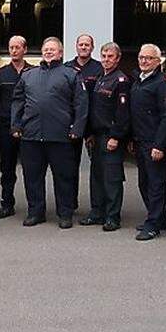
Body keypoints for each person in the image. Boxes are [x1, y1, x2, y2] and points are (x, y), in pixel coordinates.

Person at [11, 36, 87, 228]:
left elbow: (81, 104)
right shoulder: (28, 75)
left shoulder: (71, 74)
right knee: (32, 177)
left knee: (64, 178)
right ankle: (36, 212)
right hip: (31, 136)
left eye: (53, 49)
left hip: (60, 136)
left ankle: (65, 214)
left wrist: (77, 129)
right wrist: (16, 125)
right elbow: (18, 101)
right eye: (46, 49)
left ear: (60, 53)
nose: (48, 52)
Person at [81, 42, 131, 231]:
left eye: (110, 56)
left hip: (111, 137)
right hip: (97, 136)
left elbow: (123, 113)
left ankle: (112, 216)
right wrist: (90, 133)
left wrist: (116, 136)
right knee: (97, 177)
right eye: (104, 56)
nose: (106, 59)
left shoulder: (121, 81)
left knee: (112, 179)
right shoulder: (101, 78)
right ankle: (97, 212)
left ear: (118, 59)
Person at [130, 43, 166, 241]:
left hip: (153, 142)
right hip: (140, 140)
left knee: (156, 184)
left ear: (158, 61)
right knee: (144, 183)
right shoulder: (138, 80)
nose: (144, 61)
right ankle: (161, 218)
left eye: (149, 58)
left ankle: (153, 224)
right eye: (141, 57)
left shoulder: (162, 82)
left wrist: (160, 145)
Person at [0, 35, 32, 218]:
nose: (14, 51)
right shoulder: (0, 74)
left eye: (17, 47)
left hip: (29, 127)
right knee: (7, 169)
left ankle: (34, 207)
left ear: (25, 49)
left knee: (32, 169)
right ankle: (7, 204)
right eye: (11, 47)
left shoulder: (34, 72)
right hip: (6, 127)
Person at [64, 33, 101, 209]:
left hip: (93, 125)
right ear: (76, 46)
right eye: (81, 44)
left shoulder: (99, 69)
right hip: (74, 124)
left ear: (92, 48)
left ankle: (98, 208)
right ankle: (70, 203)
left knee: (97, 169)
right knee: (70, 167)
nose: (84, 47)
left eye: (87, 45)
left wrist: (92, 130)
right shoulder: (67, 68)